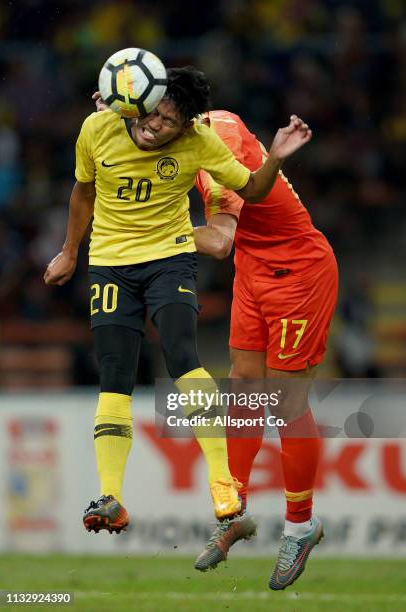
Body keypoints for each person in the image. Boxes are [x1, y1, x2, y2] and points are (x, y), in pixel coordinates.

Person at [44, 66, 312, 538]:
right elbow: (82, 192)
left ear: (186, 125)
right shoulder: (98, 127)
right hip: (109, 262)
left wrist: (277, 159)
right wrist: (69, 252)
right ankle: (111, 498)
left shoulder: (201, 142)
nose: (155, 127)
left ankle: (222, 483)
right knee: (114, 375)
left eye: (168, 122)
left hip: (170, 257)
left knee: (183, 356)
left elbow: (251, 189)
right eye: (153, 115)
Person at [191, 110, 338, 590]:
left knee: (284, 400)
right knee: (245, 390)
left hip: (297, 272)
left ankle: (300, 526)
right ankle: (236, 511)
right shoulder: (191, 128)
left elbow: (218, 241)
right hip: (254, 270)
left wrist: (148, 237)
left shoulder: (223, 153)